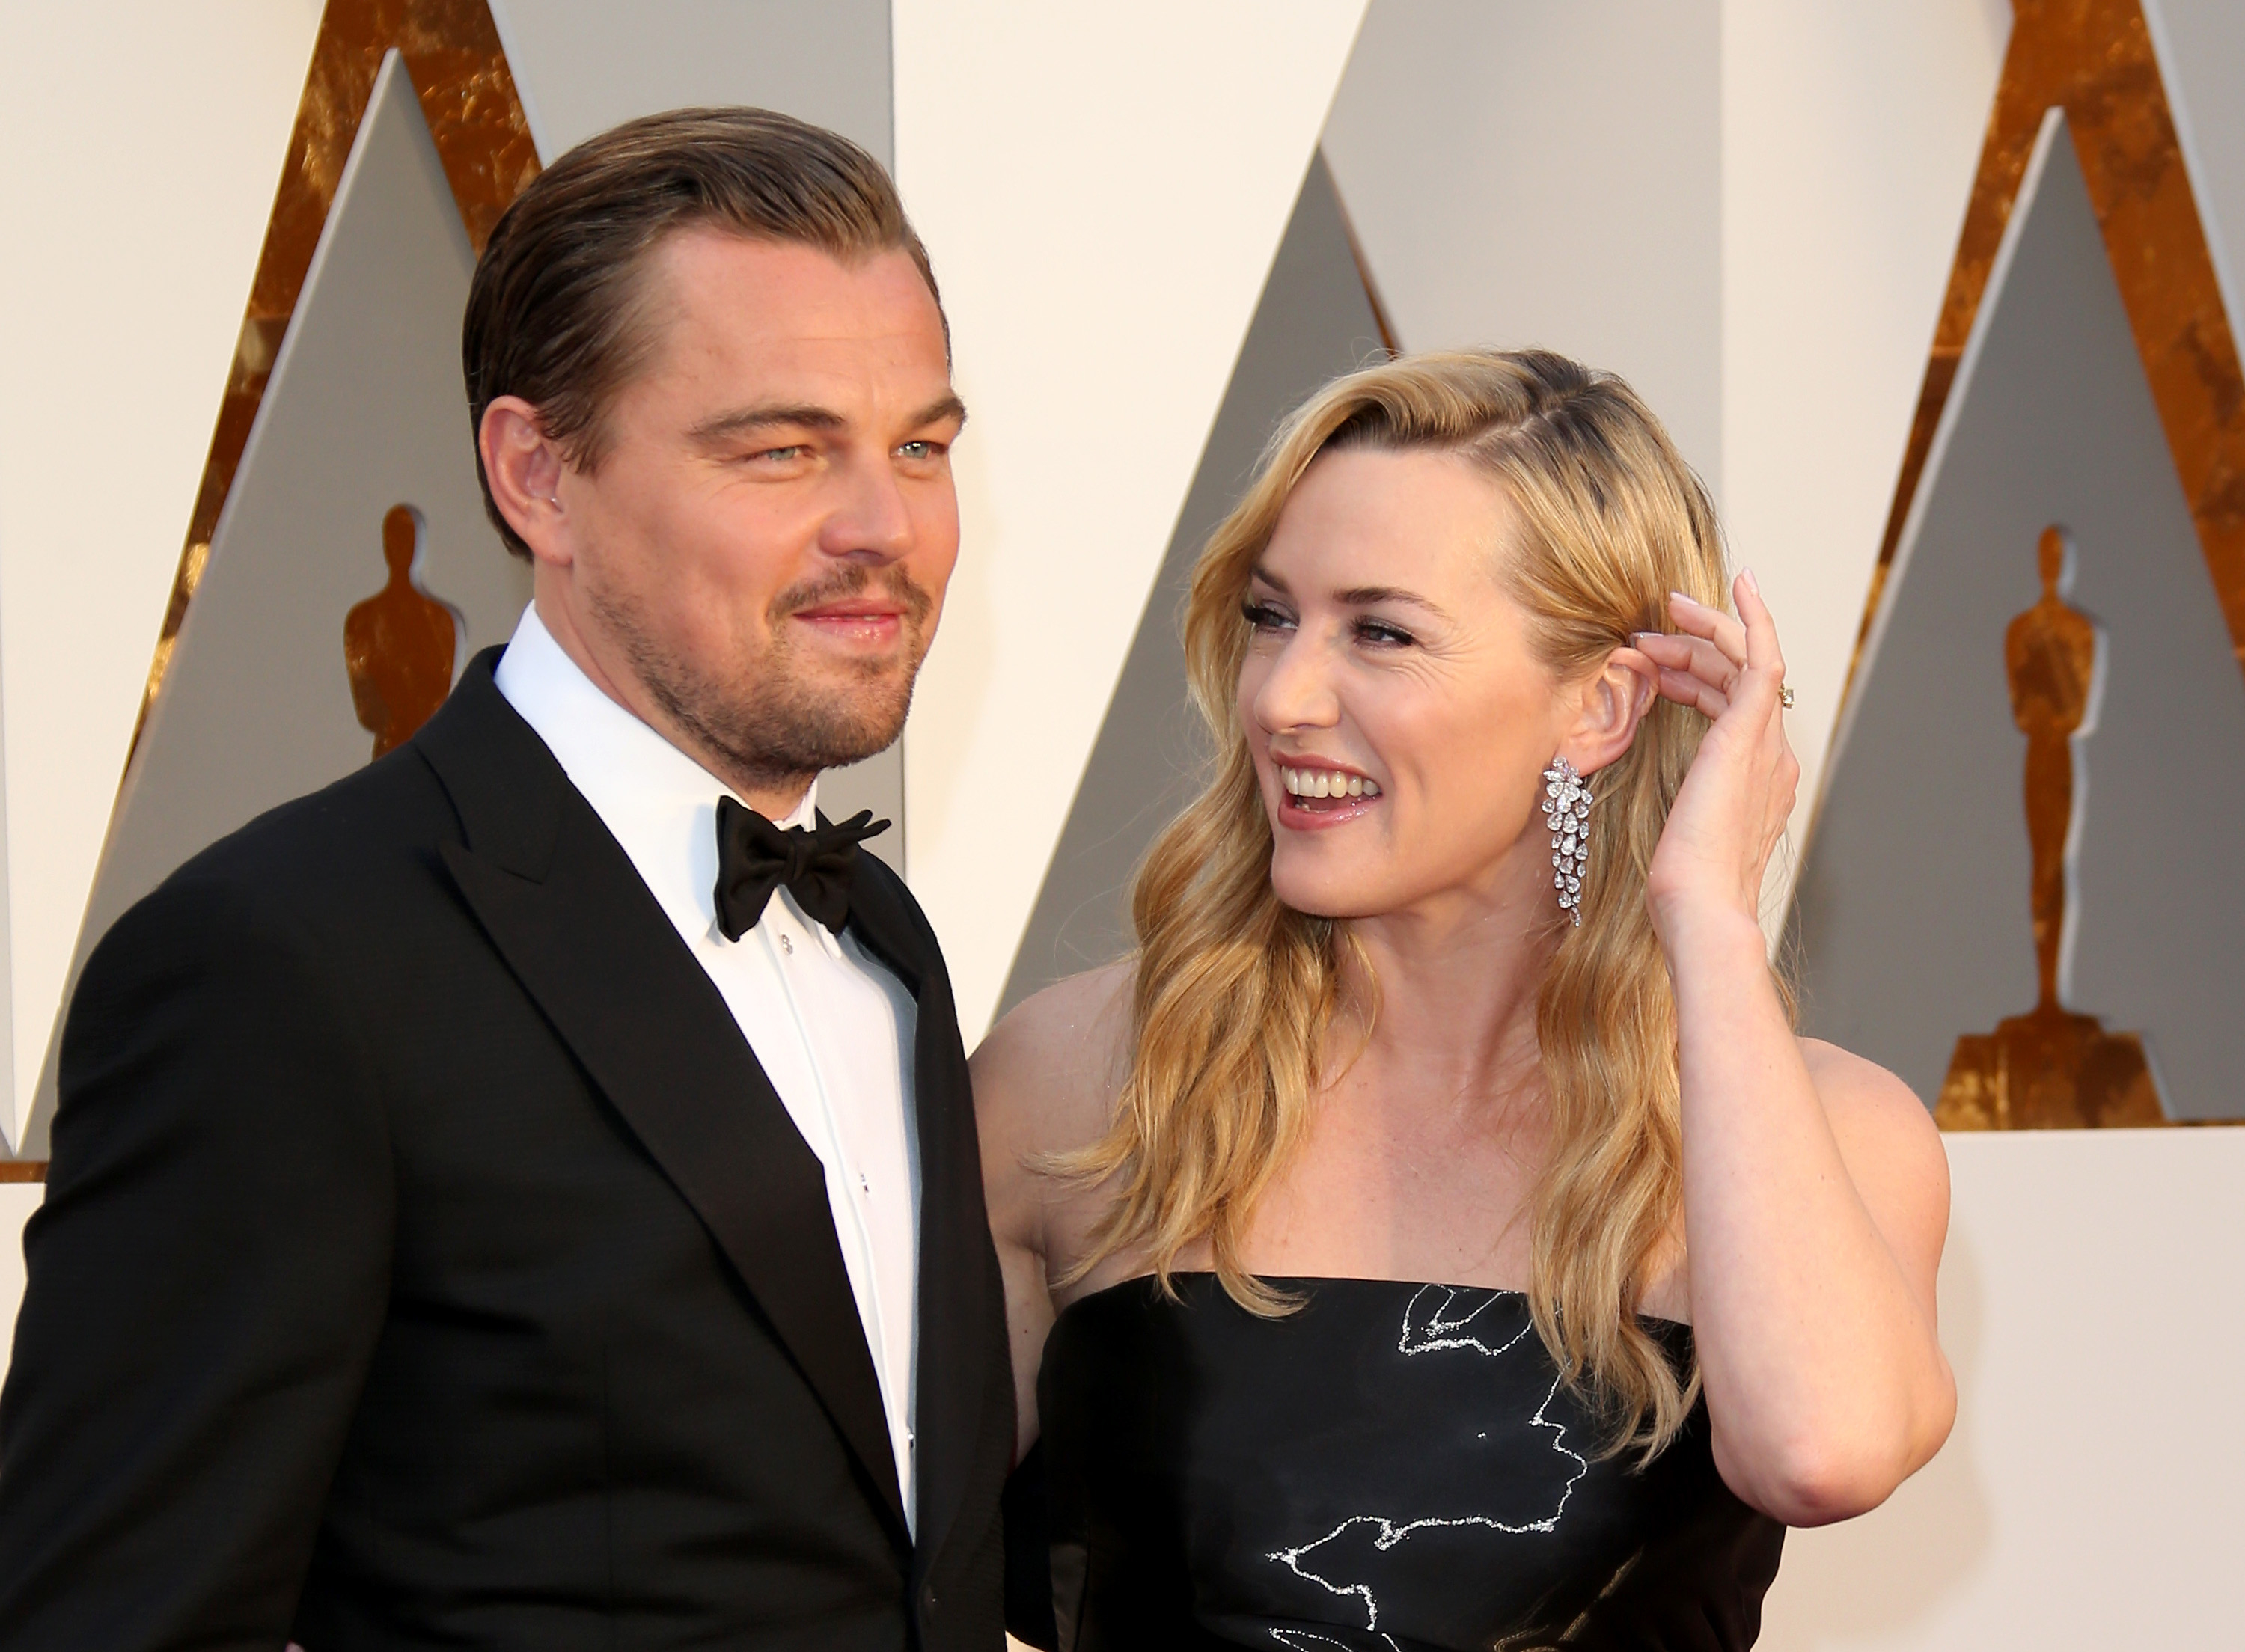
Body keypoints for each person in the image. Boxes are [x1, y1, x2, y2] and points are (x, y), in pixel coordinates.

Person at [0, 108, 1012, 1650]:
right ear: (538, 476)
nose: (887, 529)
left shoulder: (885, 944)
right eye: (783, 450)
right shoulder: (285, 963)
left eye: (920, 447)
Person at [977, 350, 1955, 1649]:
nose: (1282, 696)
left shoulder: (1828, 1131)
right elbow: (848, 1556)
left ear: (1600, 706)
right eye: (1273, 617)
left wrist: (1709, 918)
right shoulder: (1085, 1081)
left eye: (1380, 633)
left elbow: (1822, 1454)